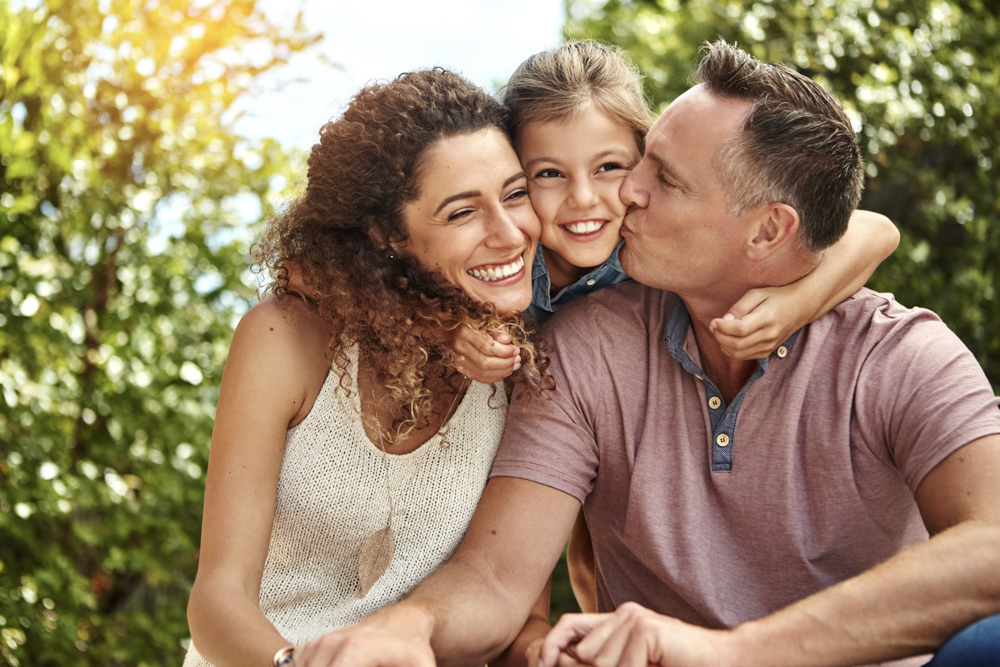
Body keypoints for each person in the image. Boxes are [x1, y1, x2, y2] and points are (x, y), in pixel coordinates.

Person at [294, 41, 1000, 667]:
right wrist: (406, 626)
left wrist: (736, 653)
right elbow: (497, 577)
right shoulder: (584, 343)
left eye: (661, 177)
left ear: (767, 232)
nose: (622, 192)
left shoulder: (898, 353)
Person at [454, 40, 901, 618]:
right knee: (530, 550)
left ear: (645, 162)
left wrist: (798, 300)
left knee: (611, 533)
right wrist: (456, 332)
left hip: (631, 400)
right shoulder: (508, 257)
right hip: (543, 416)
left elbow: (875, 229)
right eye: (548, 174)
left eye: (609, 167)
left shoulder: (651, 247)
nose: (584, 198)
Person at [182, 68, 551, 667]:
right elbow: (216, 603)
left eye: (515, 195)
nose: (510, 233)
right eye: (462, 213)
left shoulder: (530, 367)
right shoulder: (286, 341)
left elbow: (518, 620)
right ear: (388, 234)